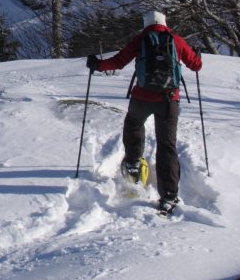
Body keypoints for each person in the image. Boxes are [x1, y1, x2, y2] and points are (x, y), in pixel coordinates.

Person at [86, 11, 202, 213]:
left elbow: (118, 62)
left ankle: (133, 163)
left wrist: (97, 64)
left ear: (145, 24)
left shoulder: (140, 39)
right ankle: (169, 196)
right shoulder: (176, 40)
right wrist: (197, 55)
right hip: (168, 100)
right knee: (167, 145)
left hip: (142, 97)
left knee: (133, 123)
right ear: (164, 23)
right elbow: (196, 65)